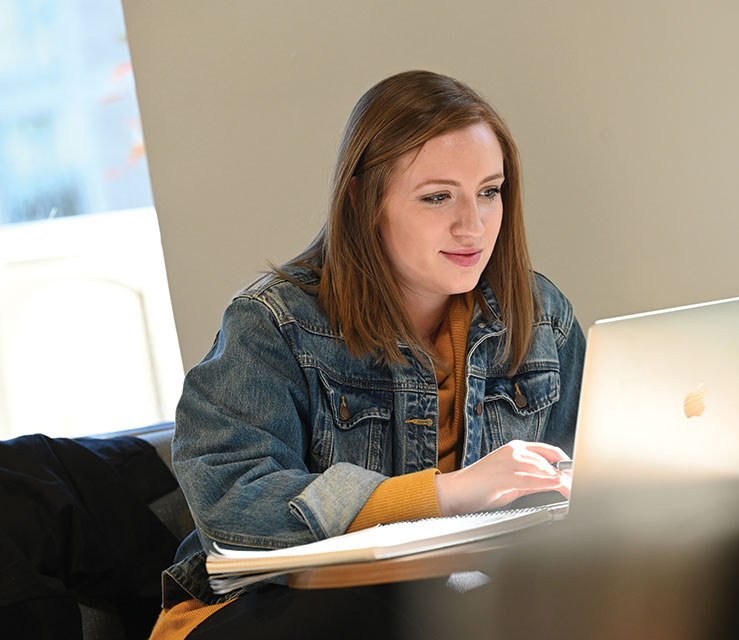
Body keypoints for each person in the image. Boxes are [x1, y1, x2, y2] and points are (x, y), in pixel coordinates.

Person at [149, 69, 586, 639]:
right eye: (437, 198)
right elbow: (231, 502)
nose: (473, 225)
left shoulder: (541, 314)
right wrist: (447, 494)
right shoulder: (274, 323)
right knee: (417, 605)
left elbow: (591, 478)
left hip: (452, 603)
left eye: (489, 191)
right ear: (363, 200)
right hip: (258, 612)